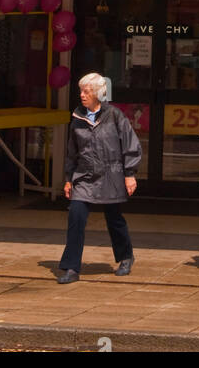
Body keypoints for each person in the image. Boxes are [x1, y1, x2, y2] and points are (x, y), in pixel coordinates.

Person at [57, 72, 141, 283]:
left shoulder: (114, 115)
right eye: (81, 91)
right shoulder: (77, 117)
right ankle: (71, 268)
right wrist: (68, 178)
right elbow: (71, 151)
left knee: (114, 218)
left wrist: (129, 174)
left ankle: (126, 256)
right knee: (76, 216)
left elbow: (130, 144)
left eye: (87, 91)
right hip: (84, 175)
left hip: (110, 174)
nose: (82, 95)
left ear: (98, 93)